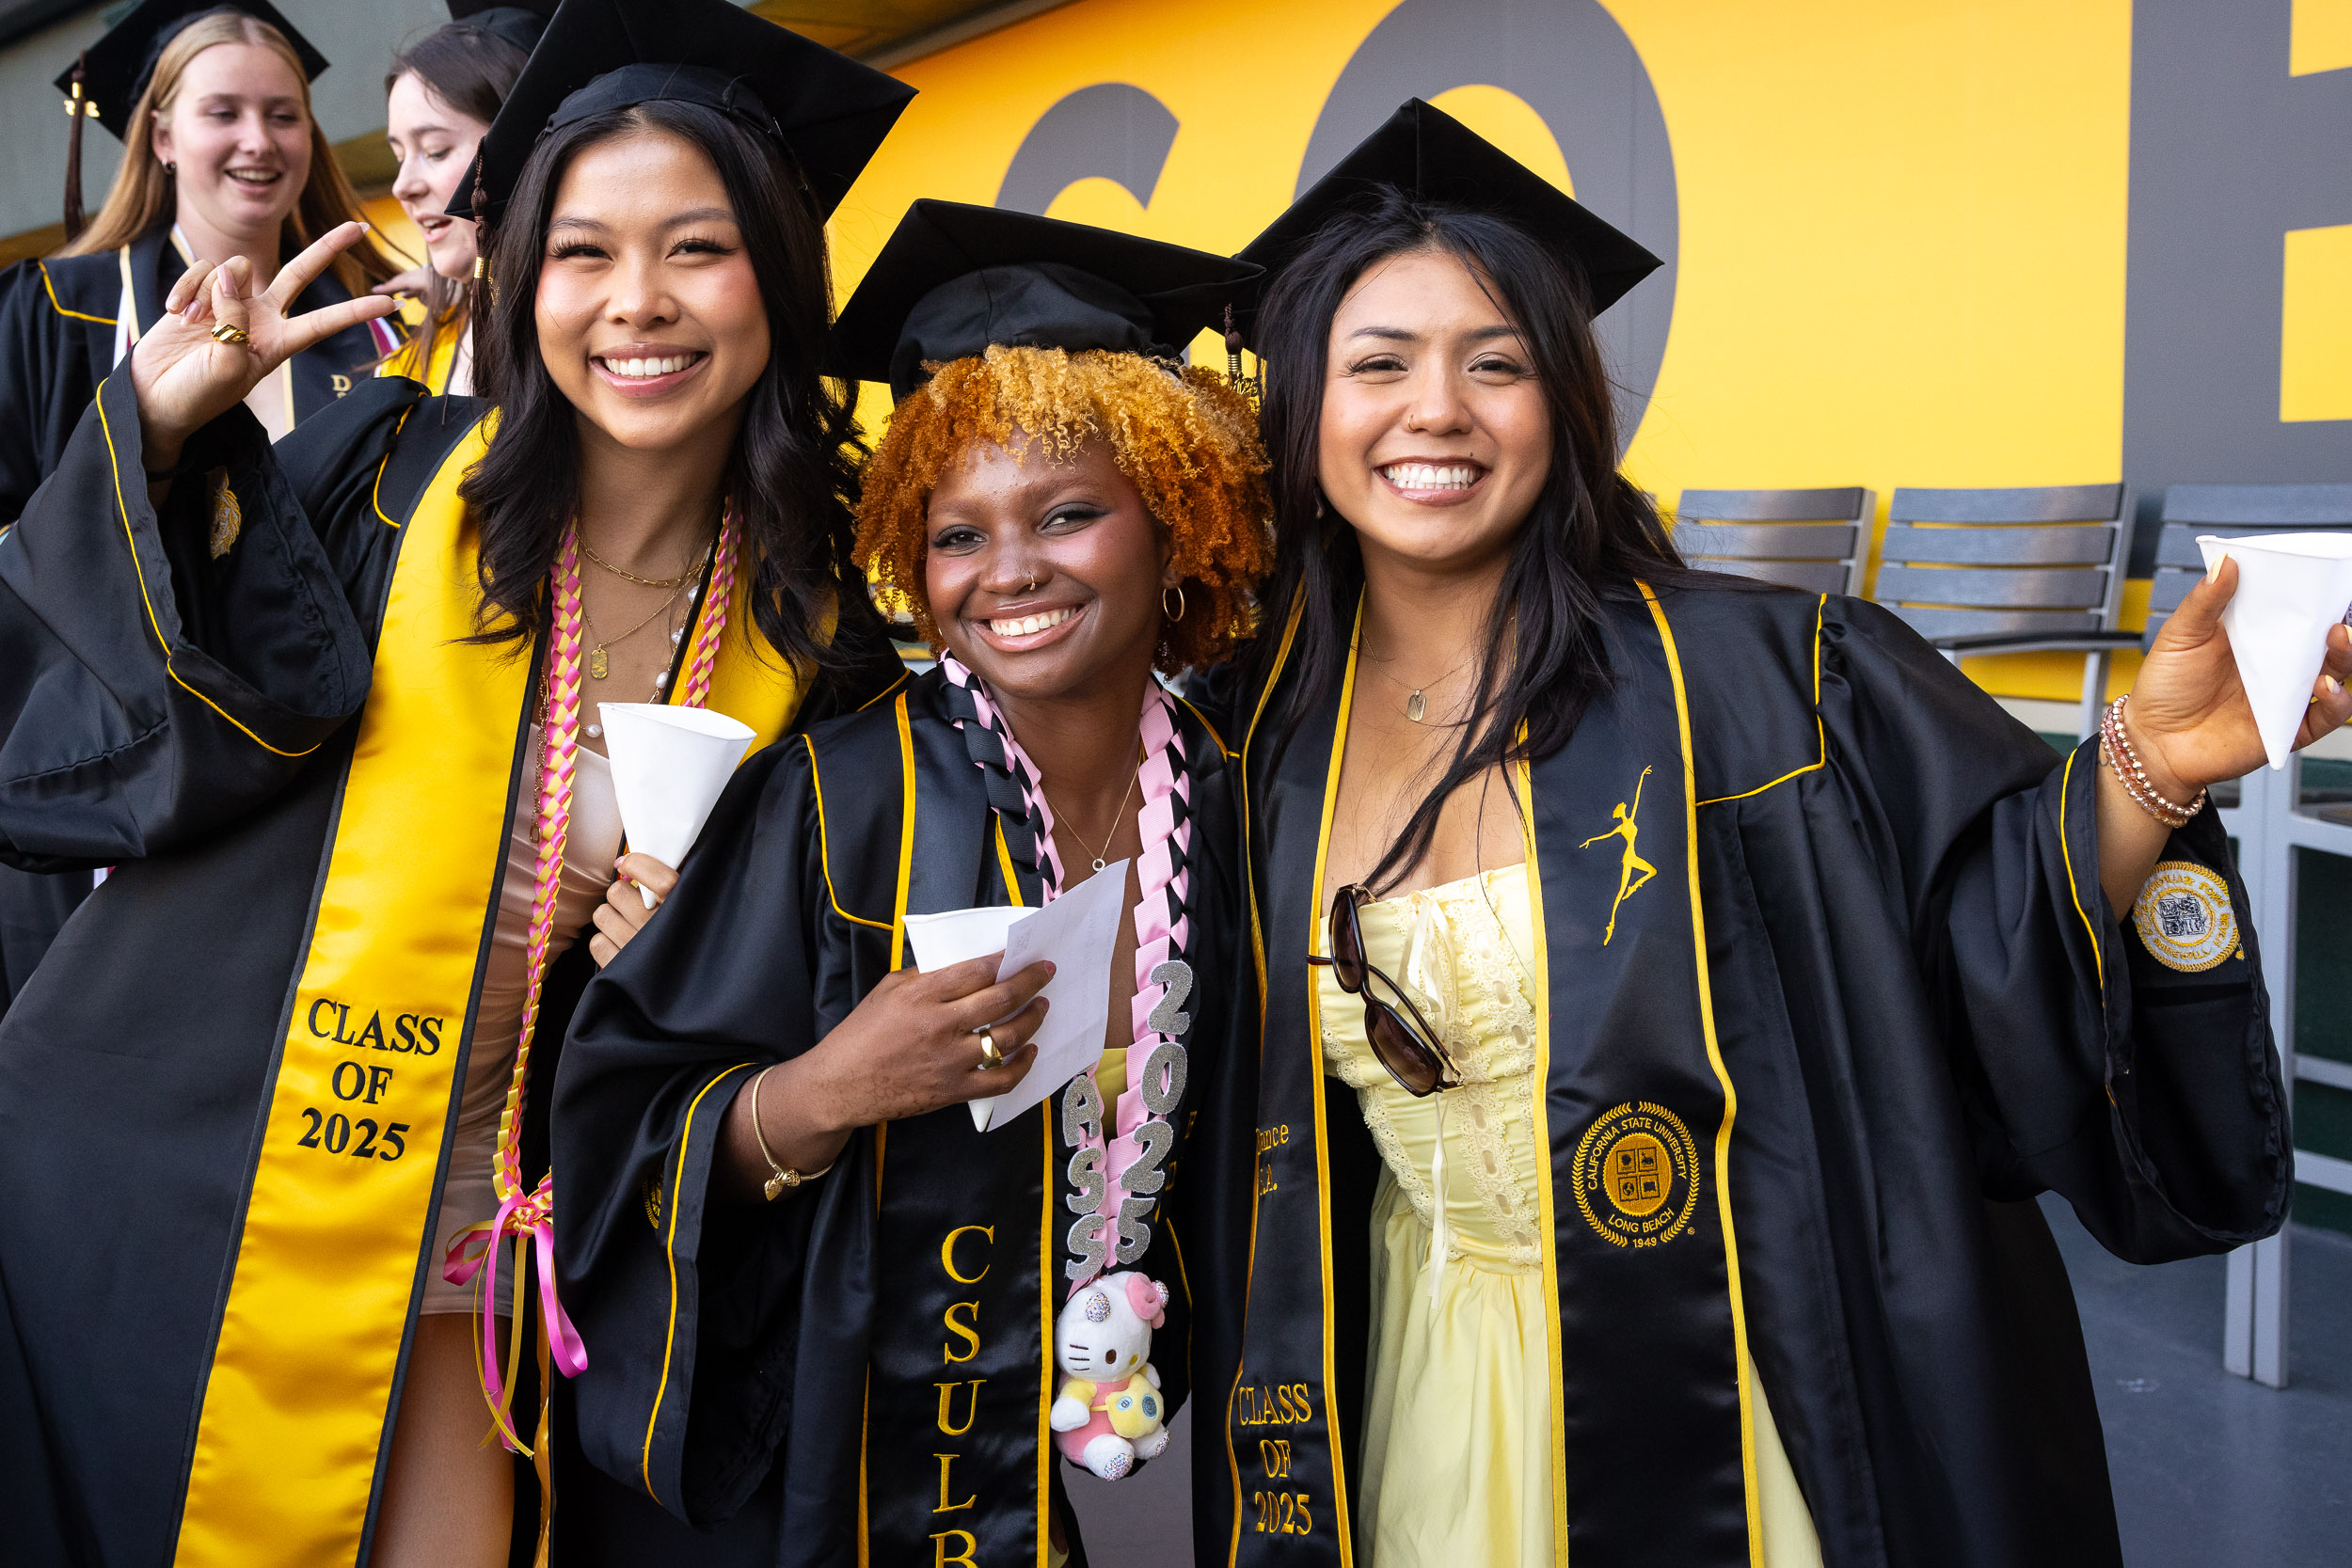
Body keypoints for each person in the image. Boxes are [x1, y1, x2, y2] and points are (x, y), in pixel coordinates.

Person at [1212, 100, 2346, 1568]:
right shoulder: (1256, 741)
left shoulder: (1767, 680)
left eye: (1496, 362)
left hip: (1739, 1394)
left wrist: (2151, 763)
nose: (1438, 408)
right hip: (1417, 1390)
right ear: (1304, 416)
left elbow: (1978, 944)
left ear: (1562, 408)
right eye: (1379, 365)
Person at [0, 3, 914, 1564]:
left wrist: (692, 949)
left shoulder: (818, 630)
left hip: (520, 1265)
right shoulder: (391, 487)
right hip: (200, 1194)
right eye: (582, 253)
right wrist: (150, 438)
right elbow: (106, 745)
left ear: (779, 275)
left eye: (698, 249)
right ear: (520, 278)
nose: (639, 304)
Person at [552, 199, 1272, 1566]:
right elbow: (615, 1127)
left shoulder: (1245, 795)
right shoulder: (832, 801)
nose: (1010, 571)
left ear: (1175, 519)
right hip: (851, 1477)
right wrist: (826, 1088)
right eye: (957, 535)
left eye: (1068, 514)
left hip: (1150, 1457)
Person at [0, 0, 405, 1011]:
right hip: (106, 783)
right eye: (223, 111)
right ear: (162, 134)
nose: (259, 142)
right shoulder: (56, 311)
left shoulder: (381, 331)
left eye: (285, 114)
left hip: (327, 789)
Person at [376, 3, 554, 394]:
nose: (403, 187)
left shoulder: (601, 353)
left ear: (523, 147)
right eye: (398, 158)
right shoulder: (400, 373)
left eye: (435, 151)